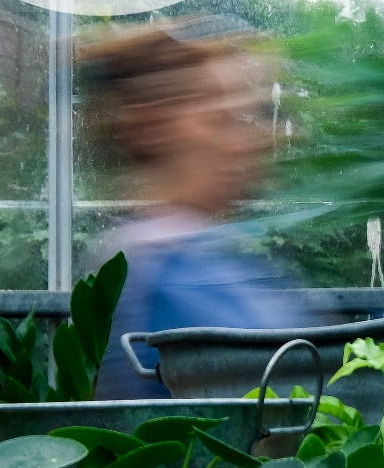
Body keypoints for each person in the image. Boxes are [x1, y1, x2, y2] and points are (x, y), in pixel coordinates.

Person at [78, 17, 324, 398]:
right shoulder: (167, 279)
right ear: (155, 127)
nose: (249, 143)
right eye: (223, 120)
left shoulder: (190, 256)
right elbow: (303, 385)